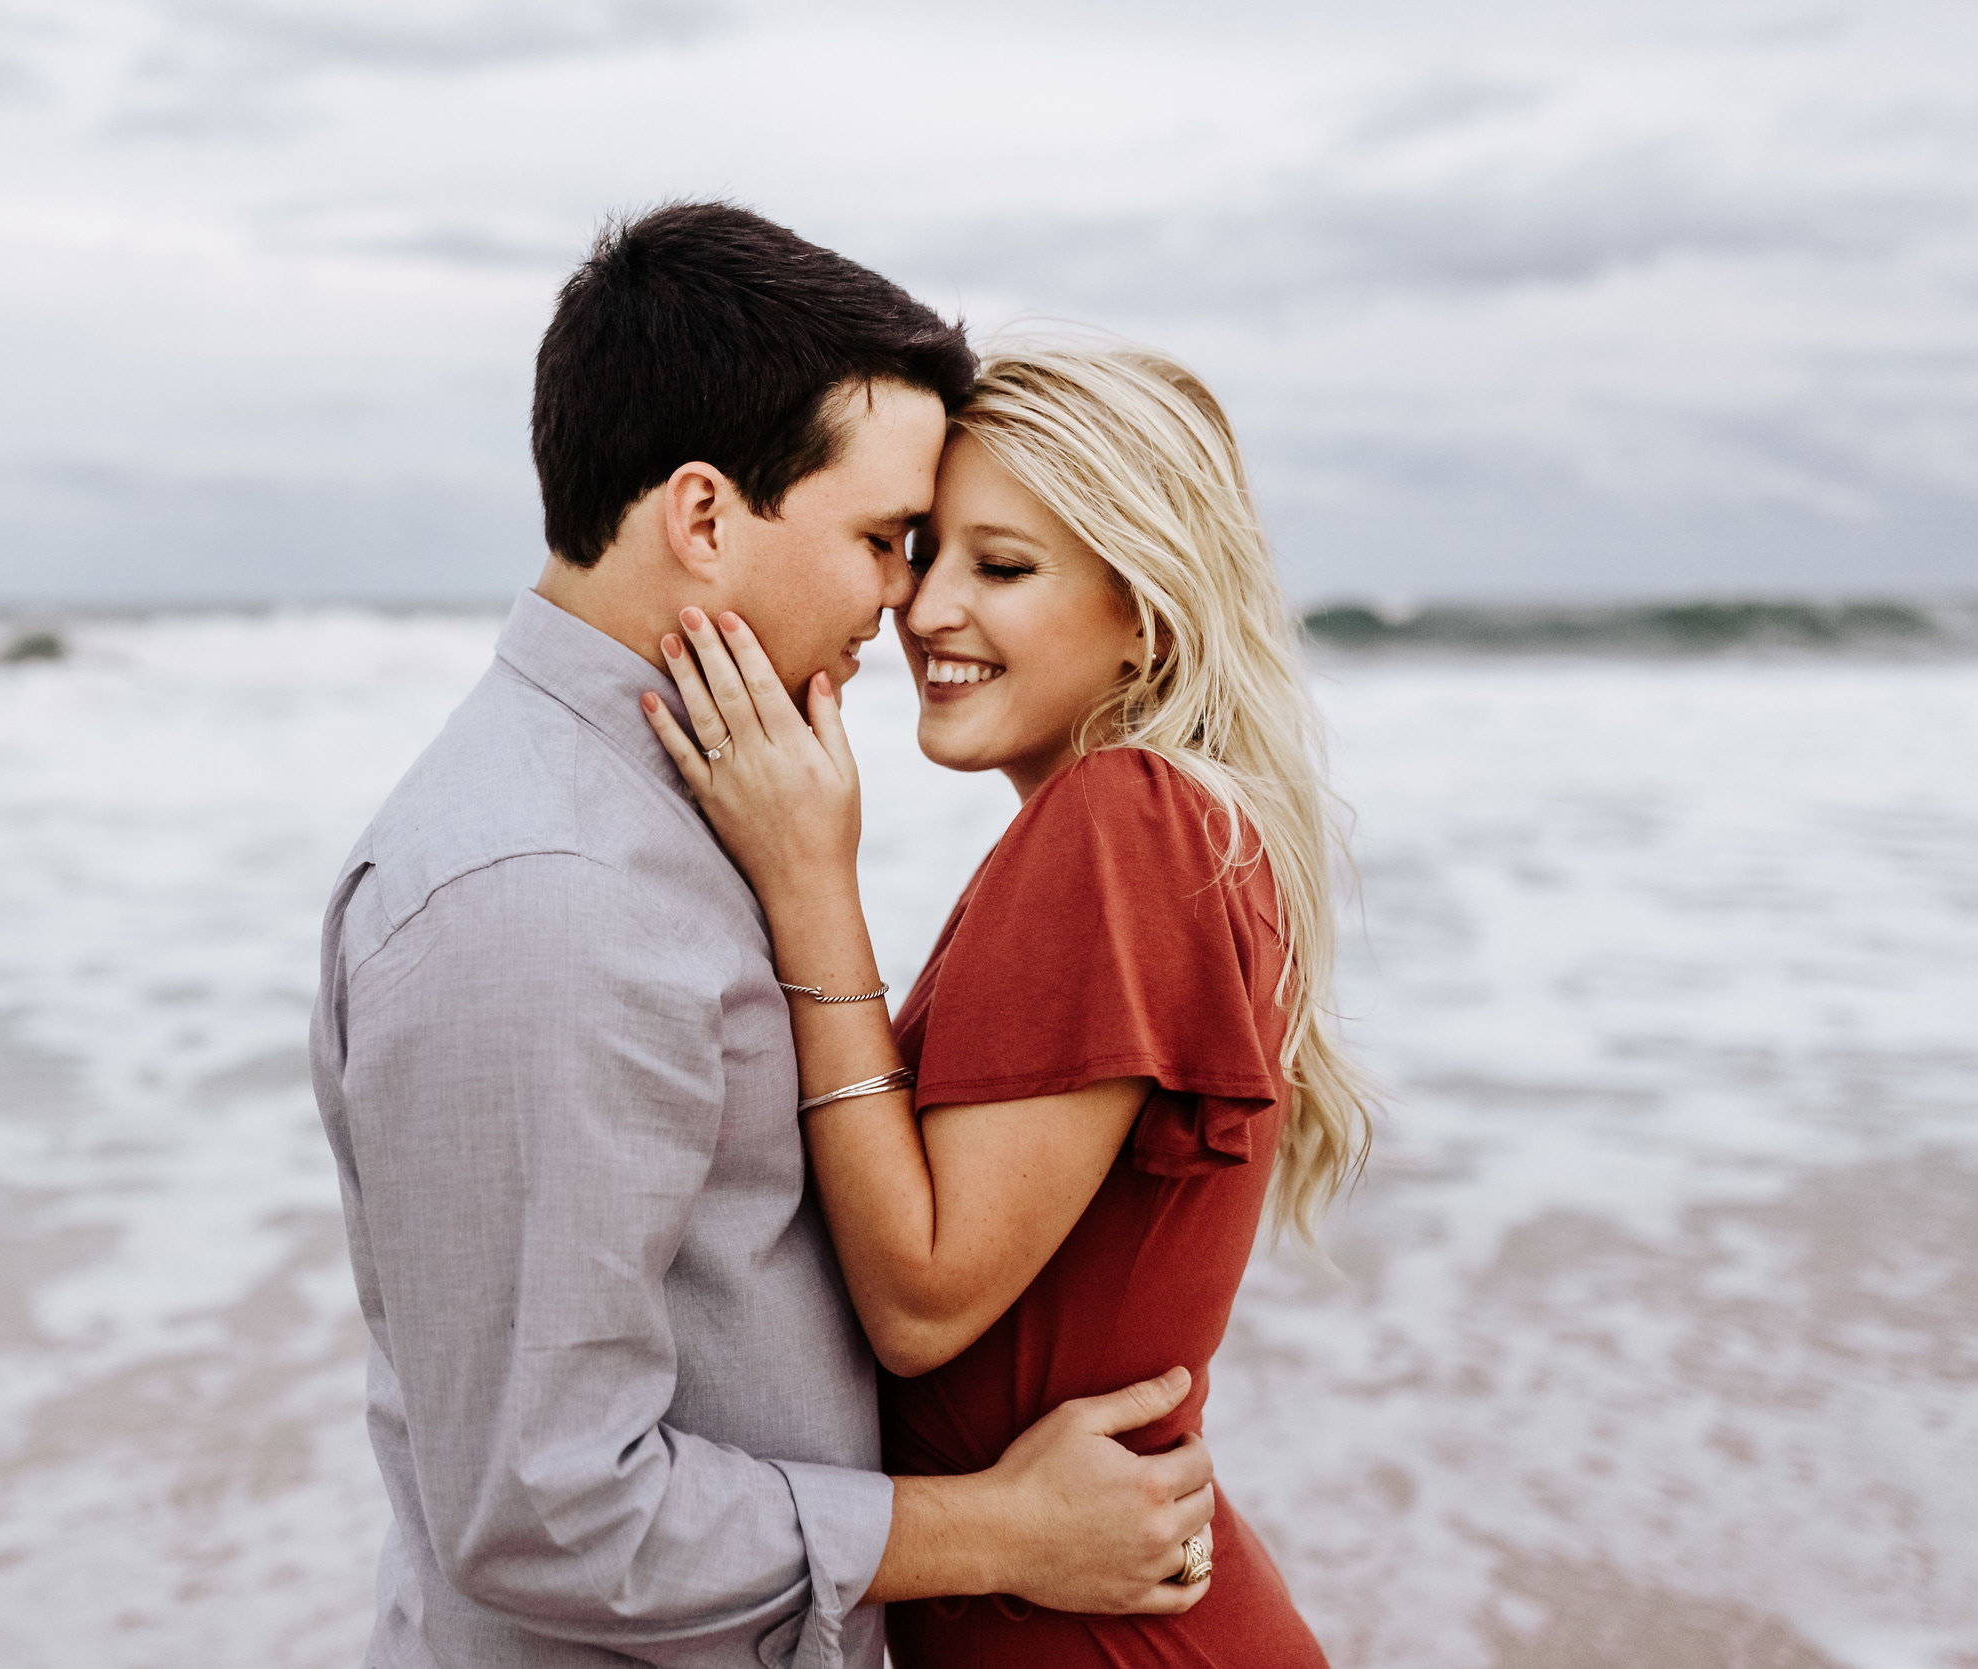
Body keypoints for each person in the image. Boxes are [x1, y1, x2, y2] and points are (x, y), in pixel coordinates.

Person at [310, 207, 1221, 1669]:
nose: (902, 598)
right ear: (705, 518)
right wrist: (997, 1528)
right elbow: (550, 1511)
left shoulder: (696, 805)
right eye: (884, 538)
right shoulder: (541, 894)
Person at [642, 341, 1374, 1666]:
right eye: (925, 552)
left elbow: (923, 1299)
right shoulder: (1170, 832)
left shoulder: (1128, 822)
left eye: (1004, 566)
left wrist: (810, 878)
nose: (924, 611)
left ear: (1146, 611)